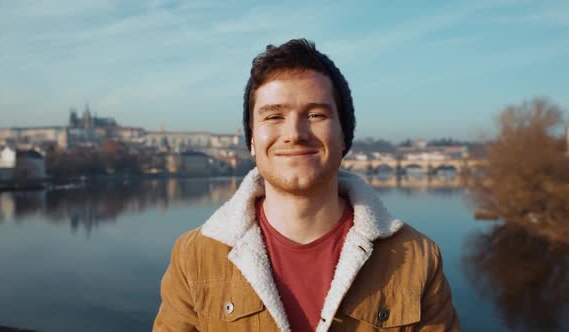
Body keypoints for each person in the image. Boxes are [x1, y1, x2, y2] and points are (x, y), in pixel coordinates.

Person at [153, 39, 460, 332]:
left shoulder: (417, 257)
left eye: (315, 114)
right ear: (250, 140)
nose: (295, 133)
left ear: (344, 136)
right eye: (274, 116)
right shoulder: (194, 257)